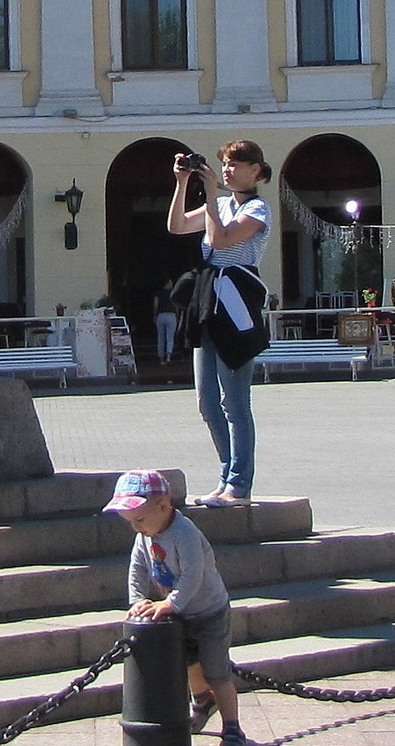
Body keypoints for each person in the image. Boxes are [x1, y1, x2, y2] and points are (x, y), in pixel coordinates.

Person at [102, 469, 247, 746]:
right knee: (188, 664)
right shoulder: (146, 534)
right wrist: (137, 600)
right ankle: (202, 701)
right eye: (131, 523)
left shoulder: (185, 533)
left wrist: (171, 604)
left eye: (139, 520)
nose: (137, 528)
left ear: (164, 506)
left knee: (217, 672)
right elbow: (138, 568)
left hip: (208, 612)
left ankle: (232, 728)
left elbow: (193, 574)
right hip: (181, 614)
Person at [167, 141, 272, 507]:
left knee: (235, 402)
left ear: (256, 170)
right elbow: (178, 225)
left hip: (237, 303)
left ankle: (239, 485)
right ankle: (227, 476)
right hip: (208, 299)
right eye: (225, 164)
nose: (228, 170)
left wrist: (211, 195)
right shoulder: (222, 203)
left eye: (236, 165)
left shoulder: (257, 208)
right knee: (207, 402)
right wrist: (183, 184)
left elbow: (221, 238)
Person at [153, 278, 177, 364]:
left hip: (161, 315)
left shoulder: (158, 294)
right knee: (170, 337)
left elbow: (155, 306)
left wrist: (155, 315)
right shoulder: (174, 292)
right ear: (167, 283)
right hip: (171, 315)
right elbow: (177, 305)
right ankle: (168, 357)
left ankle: (161, 359)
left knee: (160, 337)